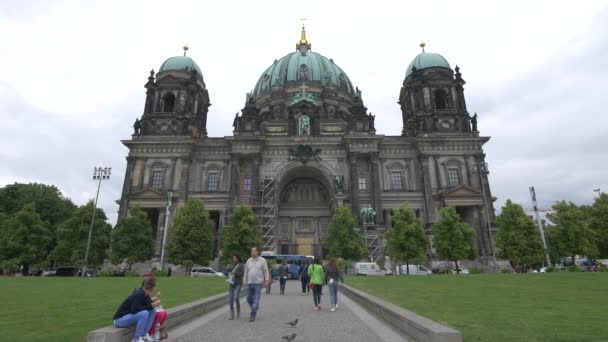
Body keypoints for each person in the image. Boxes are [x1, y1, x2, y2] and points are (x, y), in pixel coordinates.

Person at [113, 277, 161, 342]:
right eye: (155, 286)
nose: (155, 288)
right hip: (119, 320)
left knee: (152, 311)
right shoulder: (139, 294)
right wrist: (152, 305)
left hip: (128, 317)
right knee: (144, 313)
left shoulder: (145, 294)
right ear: (152, 287)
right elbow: (135, 310)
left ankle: (144, 335)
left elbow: (146, 305)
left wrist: (153, 303)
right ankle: (136, 339)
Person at [242, 246, 269, 322]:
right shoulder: (248, 260)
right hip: (249, 282)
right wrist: (244, 282)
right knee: (248, 298)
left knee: (256, 298)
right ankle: (255, 307)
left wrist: (266, 280)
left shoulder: (262, 260)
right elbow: (246, 272)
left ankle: (253, 314)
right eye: (251, 251)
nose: (252, 252)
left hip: (258, 283)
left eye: (254, 251)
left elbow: (265, 271)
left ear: (257, 252)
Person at [228, 254, 244, 320]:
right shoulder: (231, 265)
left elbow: (241, 274)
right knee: (230, 299)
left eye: (235, 258)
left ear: (238, 258)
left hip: (238, 284)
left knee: (236, 297)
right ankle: (232, 314)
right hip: (231, 284)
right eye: (233, 258)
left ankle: (238, 312)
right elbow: (228, 272)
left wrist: (235, 272)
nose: (234, 259)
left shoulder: (241, 265)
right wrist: (228, 274)